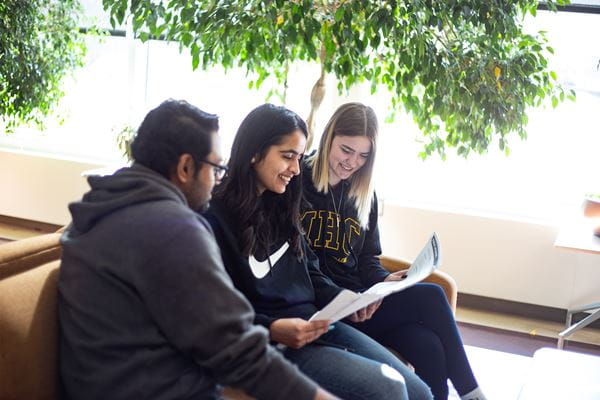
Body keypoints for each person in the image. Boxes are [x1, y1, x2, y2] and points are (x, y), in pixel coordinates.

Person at [58, 99, 337, 400]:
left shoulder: (101, 208)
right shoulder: (174, 229)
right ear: (185, 167)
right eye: (217, 168)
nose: (219, 179)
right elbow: (238, 350)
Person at [205, 103, 433, 400]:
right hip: (275, 342)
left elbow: (309, 269)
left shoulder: (282, 201)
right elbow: (213, 309)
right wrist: (272, 327)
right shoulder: (215, 218)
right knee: (390, 389)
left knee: (420, 393)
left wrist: (347, 302)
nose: (296, 169)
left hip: (318, 324)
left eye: (299, 158)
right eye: (288, 157)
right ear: (254, 152)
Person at [301, 102, 488, 400]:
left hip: (362, 304)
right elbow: (297, 265)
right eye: (346, 150)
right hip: (324, 305)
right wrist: (345, 297)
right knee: (433, 297)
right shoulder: (297, 183)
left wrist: (384, 281)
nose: (352, 163)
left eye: (363, 156)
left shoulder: (363, 193)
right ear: (328, 139)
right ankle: (474, 394)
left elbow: (367, 259)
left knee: (427, 345)